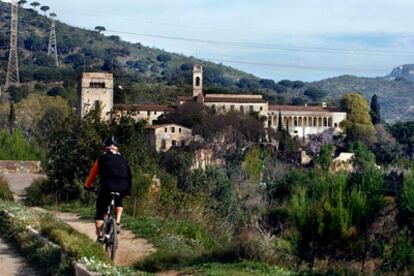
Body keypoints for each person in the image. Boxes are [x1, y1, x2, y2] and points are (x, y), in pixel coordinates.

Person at [84, 136, 132, 242]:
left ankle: (100, 236)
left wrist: (87, 186)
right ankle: (118, 222)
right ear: (117, 148)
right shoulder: (123, 159)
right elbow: (129, 175)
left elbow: (92, 174)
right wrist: (128, 191)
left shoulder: (101, 158)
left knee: (100, 211)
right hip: (122, 186)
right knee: (119, 200)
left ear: (105, 147)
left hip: (107, 187)